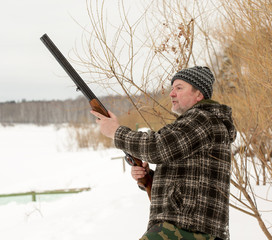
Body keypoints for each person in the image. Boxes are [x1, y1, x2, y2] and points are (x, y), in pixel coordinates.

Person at [91, 66, 236, 240]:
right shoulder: (198, 123)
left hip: (188, 228)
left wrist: (116, 132)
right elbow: (190, 174)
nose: (172, 93)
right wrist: (148, 177)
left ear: (199, 94)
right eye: (172, 88)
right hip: (188, 228)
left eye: (179, 88)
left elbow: (158, 148)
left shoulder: (203, 119)